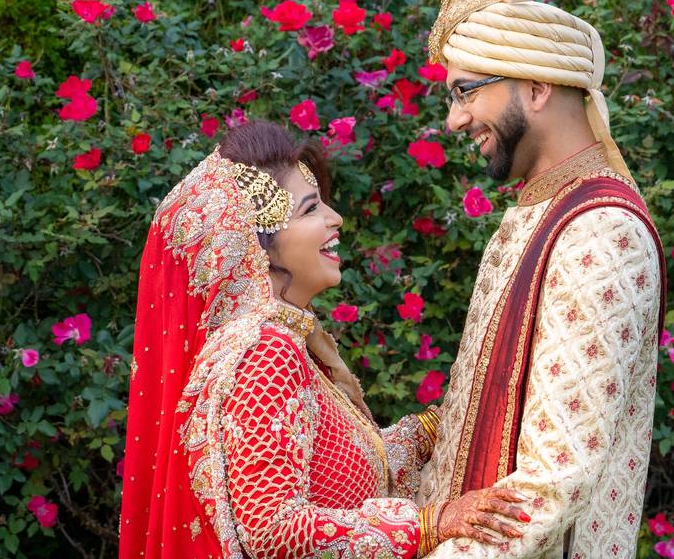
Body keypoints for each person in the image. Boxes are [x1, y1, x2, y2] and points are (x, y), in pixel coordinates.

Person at [118, 119, 529, 559]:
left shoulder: (285, 342)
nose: (336, 219)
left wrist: (442, 424)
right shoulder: (264, 352)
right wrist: (427, 525)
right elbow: (272, 527)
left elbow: (337, 473)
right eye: (311, 209)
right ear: (256, 244)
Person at [414, 0, 668, 558]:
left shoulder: (602, 230)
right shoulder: (546, 211)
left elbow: (551, 483)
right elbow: (464, 420)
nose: (454, 120)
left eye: (466, 92)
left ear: (534, 87)